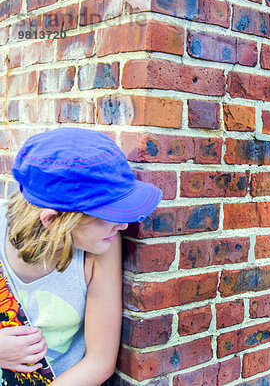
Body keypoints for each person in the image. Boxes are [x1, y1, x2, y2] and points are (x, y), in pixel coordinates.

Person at [0, 127, 162, 385]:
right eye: (107, 215)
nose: (122, 225)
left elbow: (98, 362)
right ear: (53, 220)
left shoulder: (102, 248)